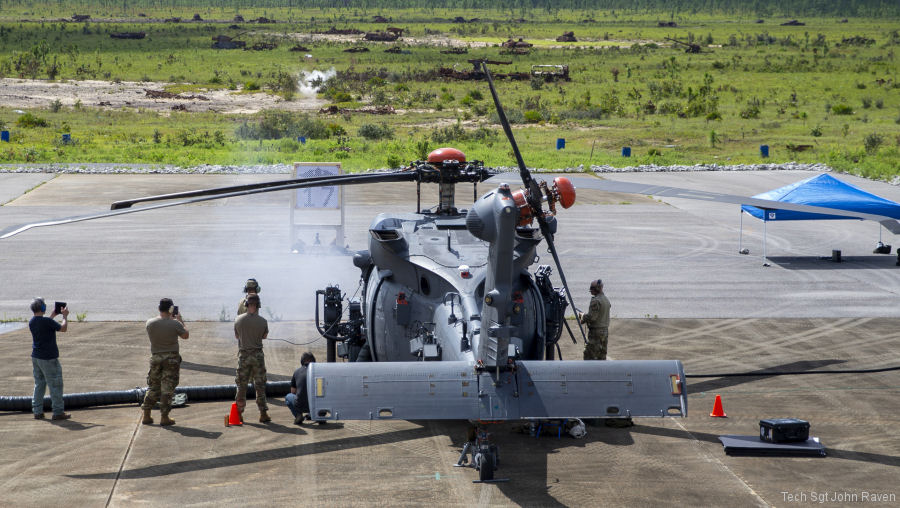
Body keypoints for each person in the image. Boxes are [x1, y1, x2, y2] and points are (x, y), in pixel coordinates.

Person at [141, 298, 189, 426]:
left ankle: (146, 415)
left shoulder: (150, 323)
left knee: (153, 387)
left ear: (159, 308)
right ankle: (164, 417)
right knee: (167, 388)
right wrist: (180, 321)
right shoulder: (175, 324)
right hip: (171, 359)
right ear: (171, 309)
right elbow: (185, 335)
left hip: (156, 357)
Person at [29, 298, 70, 420]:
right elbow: (63, 328)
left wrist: (53, 315)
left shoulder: (32, 322)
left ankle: (37, 411)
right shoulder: (46, 322)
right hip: (49, 359)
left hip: (36, 357)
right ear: (42, 308)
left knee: (39, 384)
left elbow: (45, 324)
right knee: (56, 385)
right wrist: (65, 316)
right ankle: (58, 412)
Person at [234, 294, 270, 423]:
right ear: (258, 305)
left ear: (246, 305)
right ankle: (263, 414)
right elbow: (264, 336)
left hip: (243, 356)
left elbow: (237, 336)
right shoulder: (263, 321)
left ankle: (239, 414)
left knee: (241, 386)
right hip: (257, 356)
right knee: (260, 386)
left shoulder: (238, 320)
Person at [578, 279, 611, 361]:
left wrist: (582, 316)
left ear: (596, 289)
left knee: (590, 355)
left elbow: (592, 317)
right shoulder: (605, 299)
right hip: (604, 332)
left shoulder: (596, 301)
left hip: (596, 333)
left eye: (592, 289)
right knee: (601, 356)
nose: (591, 291)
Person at [285, 352, 315, 425]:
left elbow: (293, 392)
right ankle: (320, 415)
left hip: (301, 405)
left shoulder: (297, 372)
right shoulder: (320, 370)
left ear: (302, 361)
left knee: (288, 396)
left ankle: (298, 415)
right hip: (318, 405)